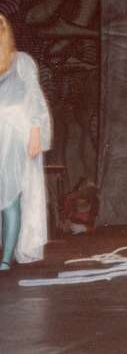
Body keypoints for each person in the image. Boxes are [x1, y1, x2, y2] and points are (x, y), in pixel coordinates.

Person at [0, 15, 52, 272]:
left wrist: (35, 133)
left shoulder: (21, 61)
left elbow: (35, 99)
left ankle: (6, 257)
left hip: (14, 136)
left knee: (11, 197)